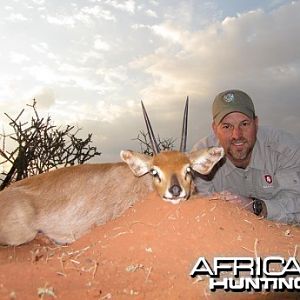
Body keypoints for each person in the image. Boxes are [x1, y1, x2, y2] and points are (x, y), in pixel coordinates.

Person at [193, 89, 300, 224]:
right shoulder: (201, 157)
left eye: (244, 124)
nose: (237, 135)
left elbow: (297, 204)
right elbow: (198, 211)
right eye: (227, 126)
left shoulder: (285, 148)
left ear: (256, 123)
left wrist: (256, 207)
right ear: (215, 129)